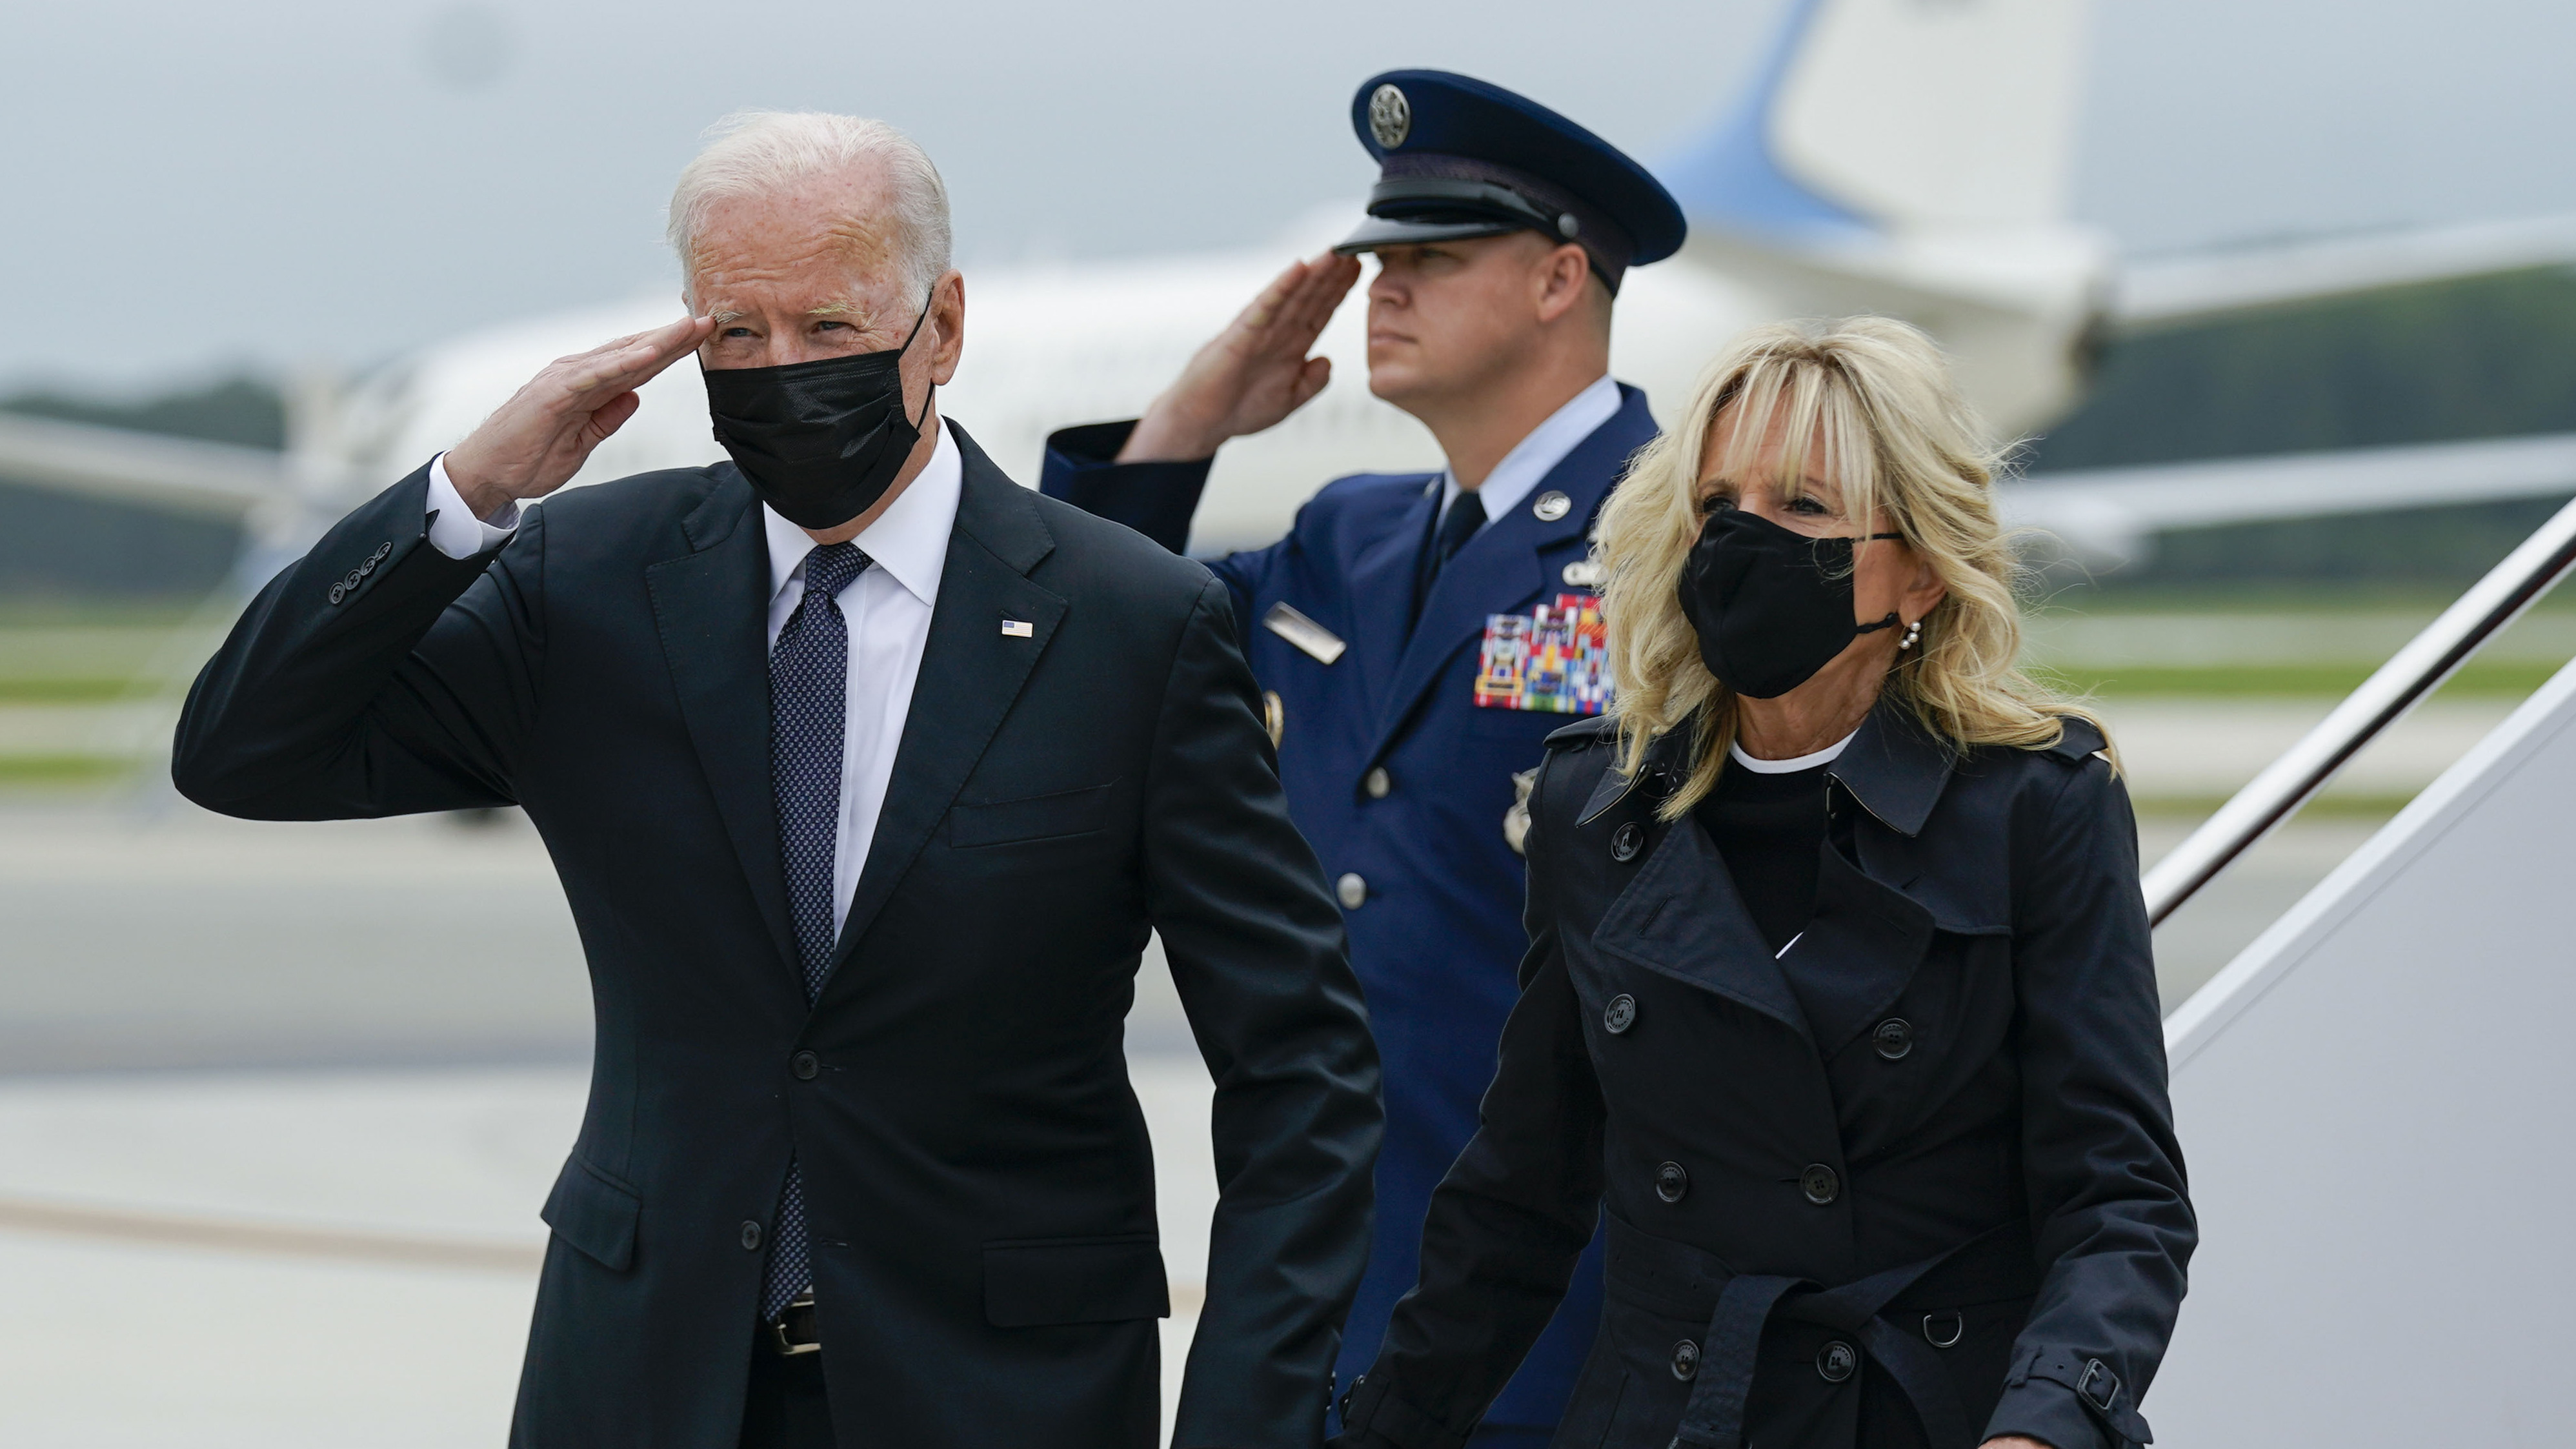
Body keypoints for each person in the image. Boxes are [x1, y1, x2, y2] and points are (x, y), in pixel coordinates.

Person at [170, 111, 1382, 1449]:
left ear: (945, 325)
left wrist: (1243, 1422)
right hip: (644, 1376)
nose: (782, 368)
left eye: (830, 326)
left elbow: (1302, 1071)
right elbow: (243, 750)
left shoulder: (1131, 623)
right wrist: (466, 492)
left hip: (1000, 1390)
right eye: (735, 335)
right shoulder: (587, 584)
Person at [1332, 318, 2195, 1449]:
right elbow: (1520, 1197)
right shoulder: (1599, 810)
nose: (1742, 540)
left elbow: (2119, 1200)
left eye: (1802, 506)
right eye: (1718, 502)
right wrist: (1376, 1427)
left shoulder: (2037, 807)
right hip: (1672, 1414)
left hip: (1932, 1417)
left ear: (1923, 570)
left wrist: (2041, 1424)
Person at [1041, 70, 1686, 1444]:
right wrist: (1186, 426)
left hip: (1557, 1307)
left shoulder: (1675, 544)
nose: (1383, 289)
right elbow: (1066, 638)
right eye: (1380, 258)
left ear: (1561, 278)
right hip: (1314, 1293)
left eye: (1432, 261)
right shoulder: (1347, 537)